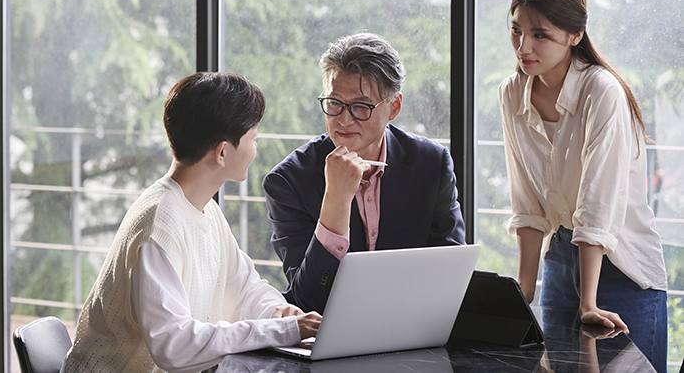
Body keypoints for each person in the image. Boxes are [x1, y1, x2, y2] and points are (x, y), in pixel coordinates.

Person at [63, 72, 321, 373]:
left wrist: (278, 313)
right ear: (223, 152)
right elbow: (173, 345)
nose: (256, 149)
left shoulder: (204, 209)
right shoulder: (159, 224)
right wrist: (285, 330)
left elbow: (245, 288)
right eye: (253, 138)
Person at [499, 0, 667, 372]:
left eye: (540, 34)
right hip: (560, 258)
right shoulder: (512, 92)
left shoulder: (602, 91)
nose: (524, 46)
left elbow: (597, 205)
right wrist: (524, 290)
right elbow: (527, 204)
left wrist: (589, 302)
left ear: (574, 35)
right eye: (516, 31)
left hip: (622, 268)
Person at [264, 32, 466, 314]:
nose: (344, 119)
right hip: (330, 333)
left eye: (360, 106)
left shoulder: (431, 163)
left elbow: (452, 270)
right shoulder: (288, 181)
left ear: (393, 107)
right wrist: (335, 199)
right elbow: (307, 300)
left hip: (413, 324)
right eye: (334, 103)